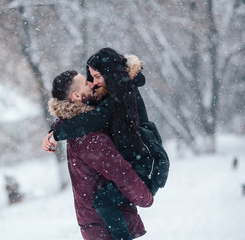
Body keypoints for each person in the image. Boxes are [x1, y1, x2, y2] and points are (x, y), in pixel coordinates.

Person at [43, 48, 168, 239]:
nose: (94, 83)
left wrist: (56, 134)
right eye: (90, 78)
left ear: (110, 73)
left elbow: (94, 117)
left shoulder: (122, 95)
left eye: (96, 76)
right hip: (135, 167)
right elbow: (84, 115)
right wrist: (54, 130)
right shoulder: (111, 93)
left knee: (103, 202)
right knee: (103, 202)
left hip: (144, 163)